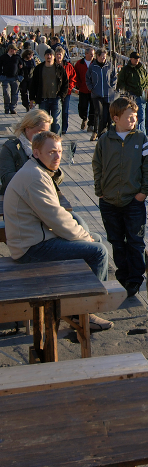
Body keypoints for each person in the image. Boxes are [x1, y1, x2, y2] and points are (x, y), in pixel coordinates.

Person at [3, 130, 112, 330]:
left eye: (60, 151)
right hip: (30, 249)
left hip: (35, 238)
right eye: (52, 152)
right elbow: (57, 218)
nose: (58, 156)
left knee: (94, 238)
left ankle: (79, 300)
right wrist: (84, 237)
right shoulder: (35, 177)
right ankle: (82, 312)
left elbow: (56, 216)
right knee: (98, 252)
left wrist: (85, 236)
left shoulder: (38, 171)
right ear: (36, 153)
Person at [93, 97, 148, 298]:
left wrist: (143, 192)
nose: (134, 120)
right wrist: (99, 190)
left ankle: (135, 279)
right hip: (109, 201)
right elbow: (97, 166)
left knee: (136, 241)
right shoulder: (105, 140)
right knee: (117, 242)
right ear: (116, 118)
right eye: (130, 117)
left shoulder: (141, 139)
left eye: (136, 116)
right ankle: (122, 275)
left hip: (133, 201)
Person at [0, 109, 51, 194]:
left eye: (46, 132)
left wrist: (55, 170)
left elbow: (57, 179)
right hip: (18, 195)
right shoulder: (11, 147)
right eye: (40, 131)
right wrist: (34, 175)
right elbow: (6, 179)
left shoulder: (46, 147)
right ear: (27, 128)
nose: (43, 136)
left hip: (41, 193)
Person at [29, 48, 69, 135]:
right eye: (47, 55)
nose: (49, 56)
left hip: (56, 99)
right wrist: (32, 98)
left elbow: (65, 84)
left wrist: (61, 96)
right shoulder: (39, 69)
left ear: (54, 57)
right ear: (44, 56)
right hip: (43, 99)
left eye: (51, 55)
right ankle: (44, 141)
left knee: (56, 122)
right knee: (43, 122)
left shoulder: (59, 69)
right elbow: (33, 84)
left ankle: (56, 140)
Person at [86, 47, 116, 140]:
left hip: (108, 94)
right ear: (97, 56)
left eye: (105, 56)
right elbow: (87, 78)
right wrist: (92, 88)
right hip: (96, 94)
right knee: (100, 112)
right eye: (102, 56)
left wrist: (112, 87)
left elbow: (114, 77)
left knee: (108, 115)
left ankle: (105, 133)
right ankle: (99, 133)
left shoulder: (109, 66)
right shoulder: (93, 66)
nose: (104, 58)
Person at [116, 50, 148, 133]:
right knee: (135, 115)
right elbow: (120, 82)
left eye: (138, 58)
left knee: (142, 116)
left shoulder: (142, 68)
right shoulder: (126, 70)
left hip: (142, 94)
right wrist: (128, 89)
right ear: (131, 59)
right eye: (135, 58)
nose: (137, 60)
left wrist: (144, 87)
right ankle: (138, 133)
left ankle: (142, 134)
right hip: (132, 94)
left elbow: (146, 80)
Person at [54, 47, 76, 135]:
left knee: (65, 110)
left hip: (66, 92)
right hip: (55, 92)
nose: (59, 56)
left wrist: (69, 88)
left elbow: (73, 78)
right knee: (56, 110)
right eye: (57, 55)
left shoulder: (68, 66)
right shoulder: (52, 66)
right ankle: (55, 128)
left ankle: (63, 128)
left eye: (60, 55)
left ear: (63, 56)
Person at [73, 47, 95, 132]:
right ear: (86, 54)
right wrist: (78, 85)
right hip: (83, 89)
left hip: (93, 90)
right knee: (82, 107)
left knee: (93, 108)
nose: (92, 56)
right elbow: (76, 75)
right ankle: (84, 118)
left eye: (93, 54)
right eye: (91, 54)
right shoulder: (79, 63)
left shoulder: (95, 63)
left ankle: (91, 124)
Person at [0, 44, 21, 115]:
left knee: (15, 94)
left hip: (15, 78)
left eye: (15, 50)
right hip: (5, 77)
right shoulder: (3, 57)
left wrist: (21, 76)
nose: (14, 51)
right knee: (6, 93)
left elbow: (21, 66)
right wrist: (1, 75)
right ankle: (6, 107)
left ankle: (13, 108)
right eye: (13, 50)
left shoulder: (17, 57)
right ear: (10, 49)